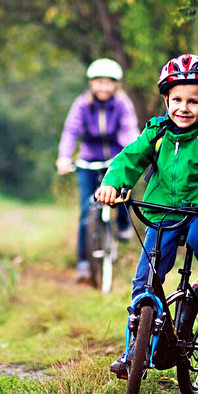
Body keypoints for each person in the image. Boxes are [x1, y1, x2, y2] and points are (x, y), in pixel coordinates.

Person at [95, 54, 198, 377]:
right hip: (161, 213)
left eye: (194, 101)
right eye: (177, 99)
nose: (183, 107)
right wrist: (112, 183)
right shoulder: (158, 134)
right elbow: (130, 159)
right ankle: (132, 351)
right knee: (145, 280)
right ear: (166, 99)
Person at [56, 58, 140, 283]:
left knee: (122, 194)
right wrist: (64, 157)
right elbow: (70, 131)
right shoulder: (82, 104)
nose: (103, 87)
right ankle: (83, 264)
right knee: (87, 211)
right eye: (99, 82)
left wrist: (131, 153)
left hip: (115, 159)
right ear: (91, 84)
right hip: (88, 161)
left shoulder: (122, 104)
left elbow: (130, 130)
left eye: (108, 83)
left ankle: (123, 224)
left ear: (116, 85)